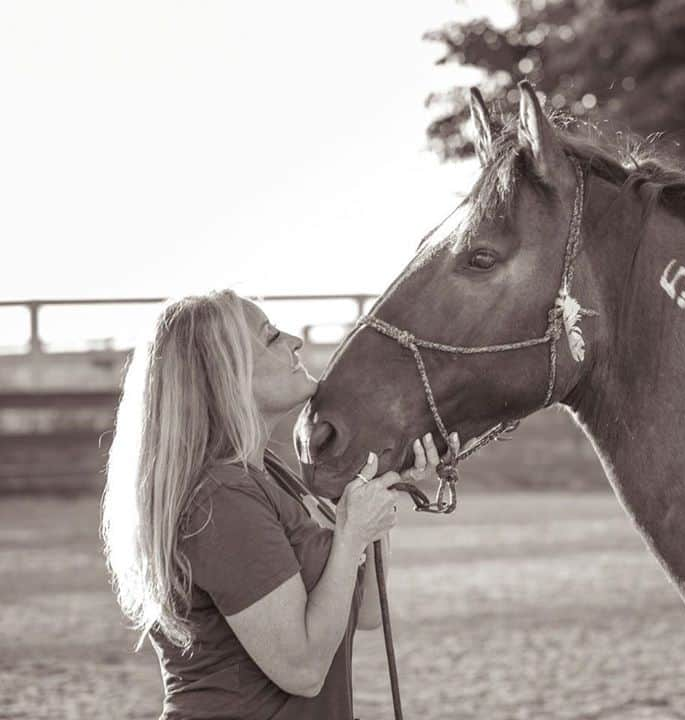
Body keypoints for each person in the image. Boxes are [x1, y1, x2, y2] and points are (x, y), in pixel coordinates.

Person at [101, 289, 447, 719]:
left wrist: (377, 491)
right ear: (225, 372)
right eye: (270, 336)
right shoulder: (221, 498)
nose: (294, 341)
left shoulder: (267, 473)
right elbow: (301, 670)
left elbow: (367, 613)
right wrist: (350, 533)